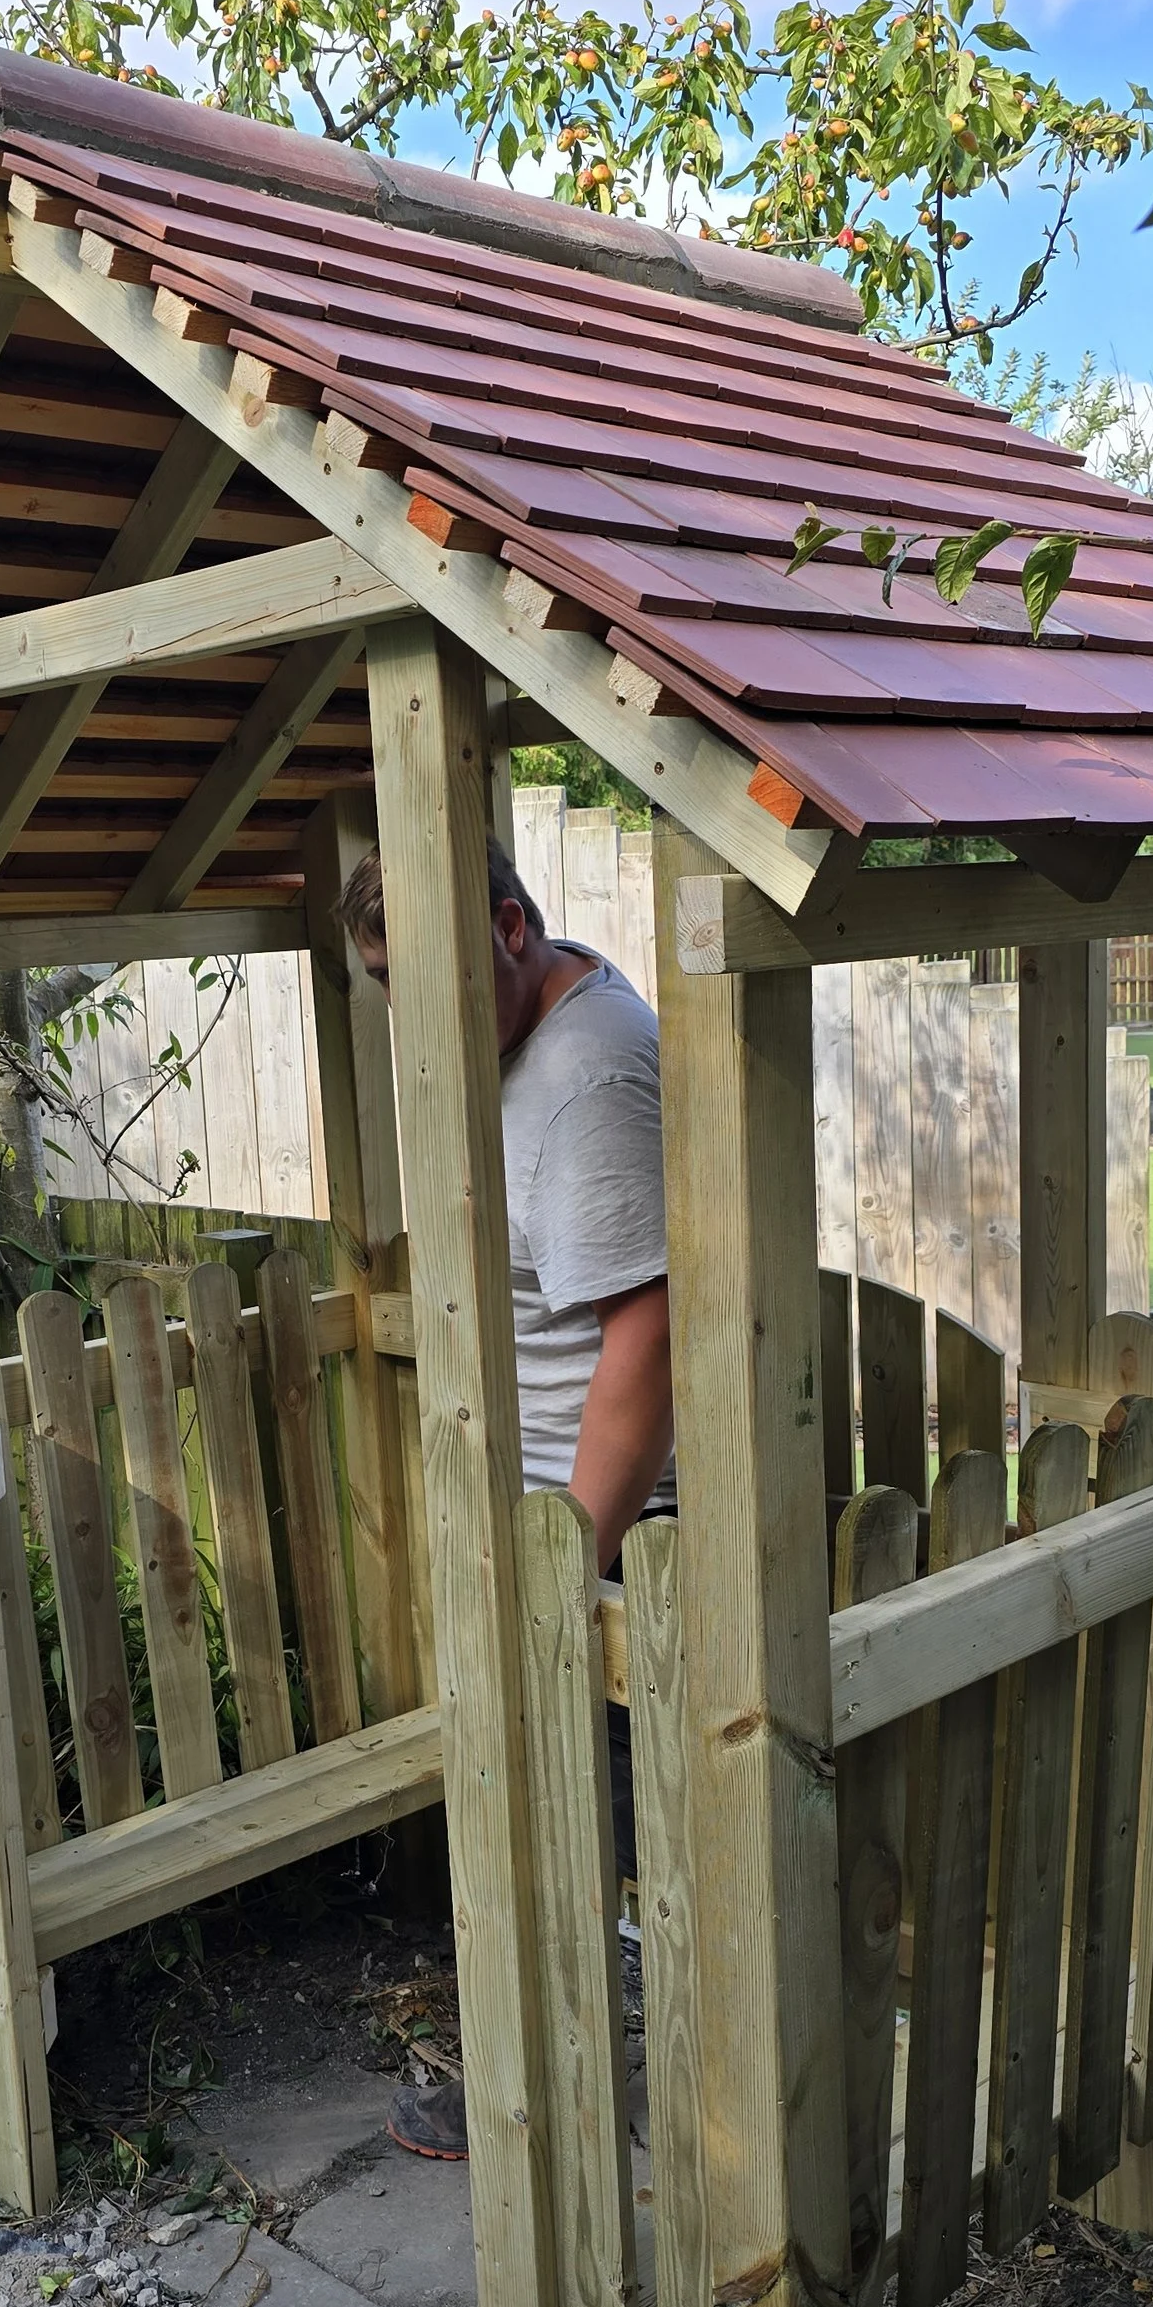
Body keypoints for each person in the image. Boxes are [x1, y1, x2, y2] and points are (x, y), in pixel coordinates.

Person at [338, 831, 672, 2161]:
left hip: (616, 1541)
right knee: (558, 1840)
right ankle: (561, 2080)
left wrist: (562, 1580)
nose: (409, 1016)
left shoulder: (589, 1078)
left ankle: (587, 2107)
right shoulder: (517, 1043)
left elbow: (645, 1350)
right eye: (384, 986)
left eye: (428, 978)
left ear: (512, 925)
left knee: (610, 1846)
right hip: (554, 1530)